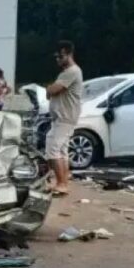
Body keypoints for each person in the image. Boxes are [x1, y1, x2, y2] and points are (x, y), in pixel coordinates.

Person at [45, 40, 83, 196]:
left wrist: (49, 89)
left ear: (68, 54)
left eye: (60, 56)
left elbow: (53, 90)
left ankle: (61, 184)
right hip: (62, 118)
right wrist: (50, 90)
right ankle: (63, 181)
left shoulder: (72, 72)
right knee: (61, 150)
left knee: (53, 150)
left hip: (65, 117)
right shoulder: (68, 72)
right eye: (56, 57)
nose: (58, 60)